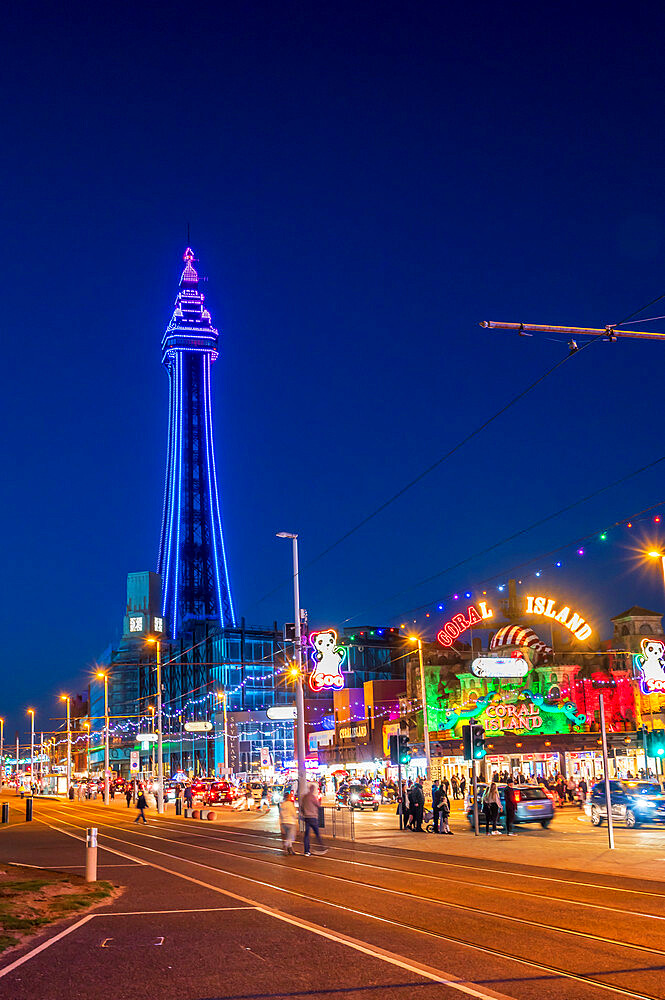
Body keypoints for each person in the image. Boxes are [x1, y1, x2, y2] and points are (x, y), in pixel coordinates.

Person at [300, 783, 327, 856]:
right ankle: (321, 848)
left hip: (306, 817)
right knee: (317, 833)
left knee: (306, 835)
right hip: (312, 817)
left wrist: (304, 813)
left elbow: (301, 807)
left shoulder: (304, 797)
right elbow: (318, 805)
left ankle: (306, 851)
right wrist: (320, 800)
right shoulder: (312, 797)